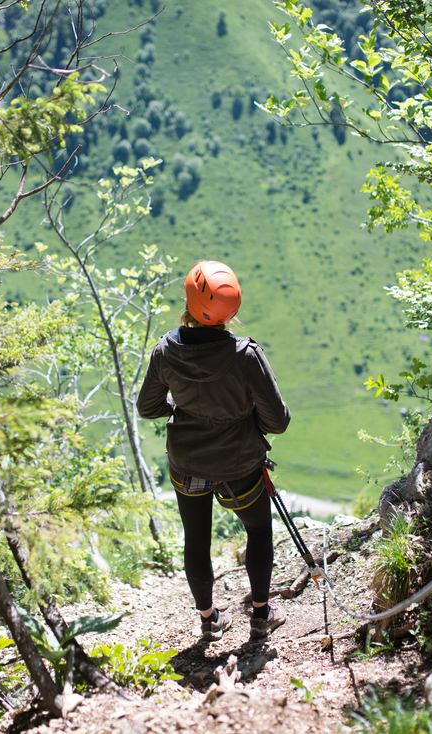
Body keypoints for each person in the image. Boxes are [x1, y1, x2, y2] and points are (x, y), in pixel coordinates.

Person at [137, 260, 291, 642]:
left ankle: (208, 620)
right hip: (240, 462)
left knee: (197, 538)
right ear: (232, 310)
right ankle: (260, 613)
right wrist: (244, 416)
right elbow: (278, 420)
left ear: (188, 304)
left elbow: (148, 407)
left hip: (188, 461)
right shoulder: (245, 355)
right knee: (257, 530)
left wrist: (182, 410)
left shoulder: (166, 351)